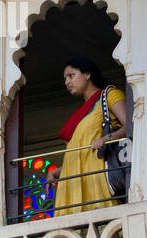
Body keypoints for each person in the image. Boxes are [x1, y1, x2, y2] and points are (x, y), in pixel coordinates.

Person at [47, 57, 128, 215]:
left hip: (96, 181)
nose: (67, 82)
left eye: (71, 76)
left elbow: (131, 126)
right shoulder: (81, 113)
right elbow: (83, 155)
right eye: (65, 79)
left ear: (87, 74)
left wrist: (107, 138)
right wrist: (59, 171)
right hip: (74, 184)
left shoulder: (109, 95)